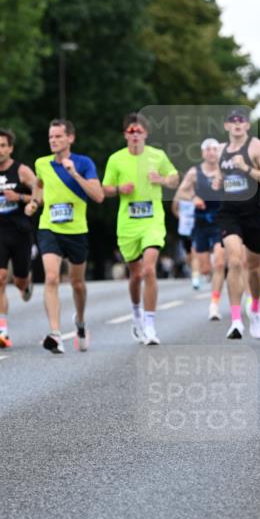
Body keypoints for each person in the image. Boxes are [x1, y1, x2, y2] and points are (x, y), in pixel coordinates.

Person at [26, 119, 104, 354]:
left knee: (77, 284)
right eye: (51, 137)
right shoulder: (42, 163)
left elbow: (99, 196)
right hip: (49, 228)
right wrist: (34, 202)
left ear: (70, 138)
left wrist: (74, 174)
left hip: (77, 231)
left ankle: (80, 323)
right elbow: (39, 184)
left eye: (58, 136)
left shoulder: (84, 163)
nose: (53, 141)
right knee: (51, 278)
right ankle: (55, 334)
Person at [103, 112, 179, 345]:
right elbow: (104, 188)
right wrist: (118, 189)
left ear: (145, 133)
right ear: (126, 135)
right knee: (135, 275)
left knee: (148, 269)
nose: (135, 135)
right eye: (130, 131)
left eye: (139, 131)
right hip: (128, 224)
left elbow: (175, 177)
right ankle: (136, 315)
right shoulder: (116, 159)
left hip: (152, 221)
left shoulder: (158, 156)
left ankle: (150, 324)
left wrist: (163, 180)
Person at [214, 106, 260, 340]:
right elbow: (219, 177)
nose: (237, 123)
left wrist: (246, 168)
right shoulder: (220, 150)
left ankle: (255, 308)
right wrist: (218, 181)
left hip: (254, 213)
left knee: (254, 267)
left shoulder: (256, 147)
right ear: (227, 126)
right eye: (233, 120)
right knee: (233, 260)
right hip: (229, 212)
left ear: (248, 126)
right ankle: (236, 320)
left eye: (242, 120)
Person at [0, 128, 37, 349]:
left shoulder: (22, 171)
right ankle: (2, 331)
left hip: (21, 232)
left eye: (3, 145)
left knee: (19, 280)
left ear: (10, 148)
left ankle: (26, 283)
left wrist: (20, 197)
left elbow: (41, 195)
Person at [174, 138, 225, 320]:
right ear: (203, 153)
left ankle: (214, 304)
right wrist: (194, 197)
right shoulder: (195, 172)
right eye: (208, 150)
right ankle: (209, 271)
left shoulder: (224, 171)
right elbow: (181, 192)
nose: (211, 152)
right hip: (201, 222)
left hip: (220, 222)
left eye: (214, 149)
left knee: (219, 262)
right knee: (205, 268)